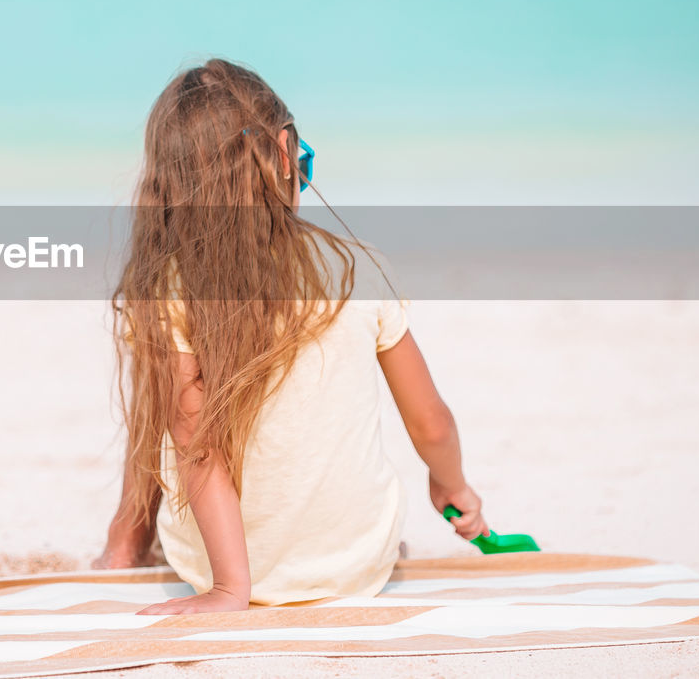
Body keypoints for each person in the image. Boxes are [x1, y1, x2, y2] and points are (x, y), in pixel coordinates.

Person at [95, 59, 490, 614]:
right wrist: (453, 487)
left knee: (174, 402)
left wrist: (231, 589)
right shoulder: (358, 267)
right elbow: (432, 423)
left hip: (218, 568)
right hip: (358, 565)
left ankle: (128, 543)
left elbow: (194, 444)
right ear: (286, 155)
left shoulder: (170, 287)